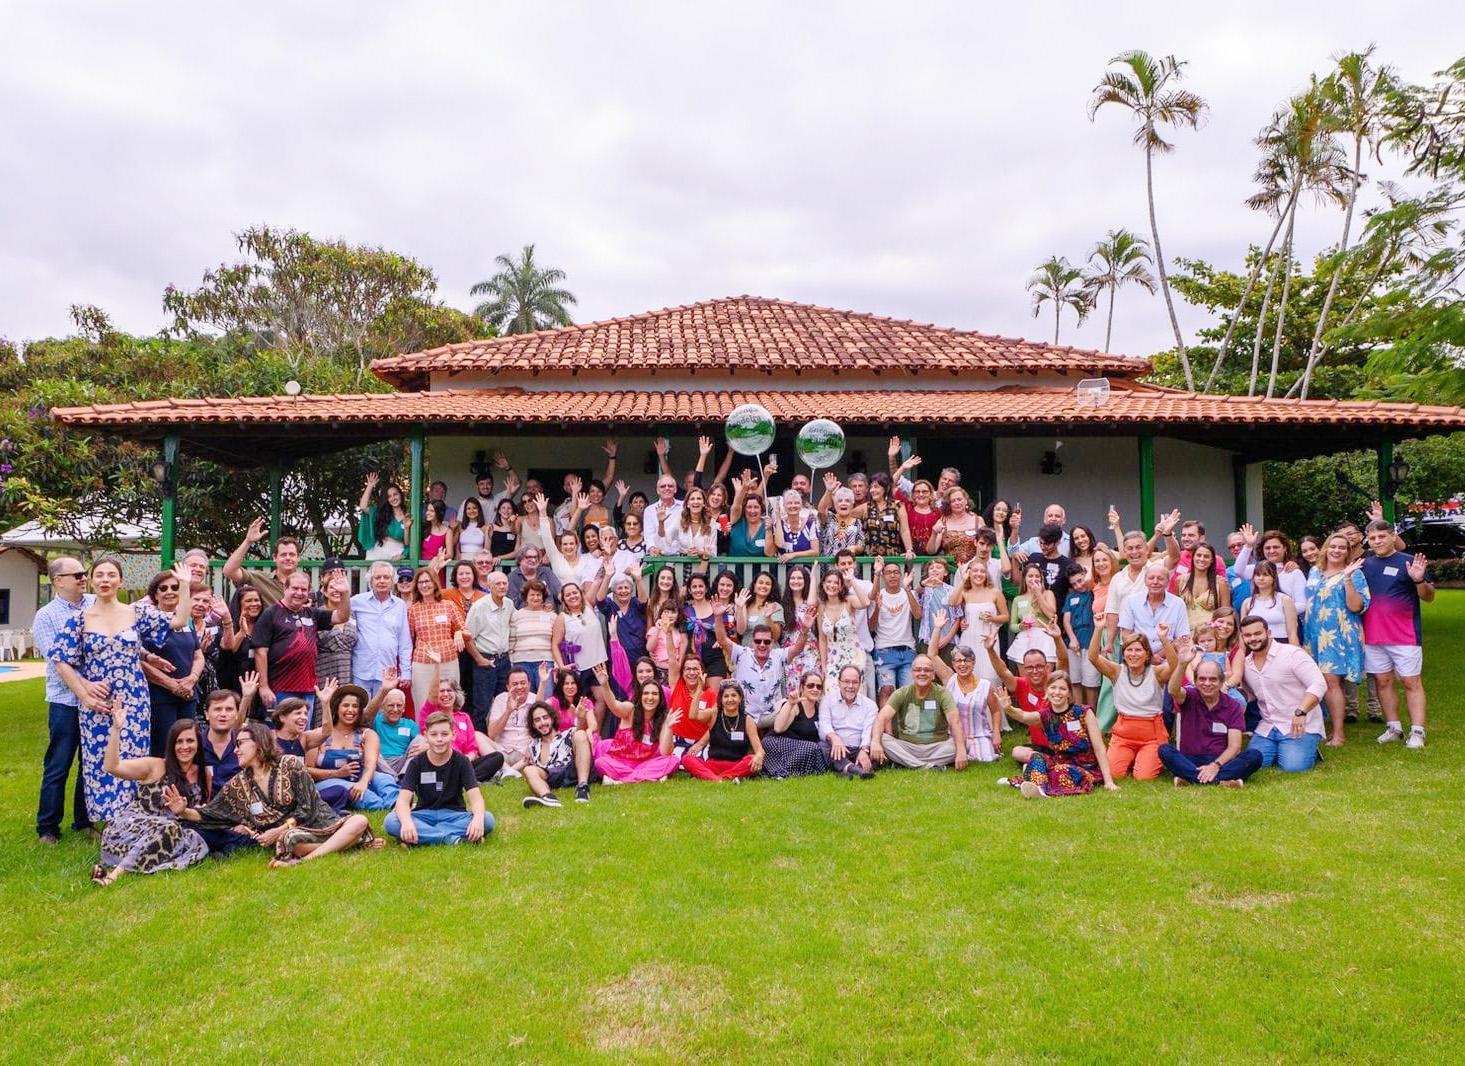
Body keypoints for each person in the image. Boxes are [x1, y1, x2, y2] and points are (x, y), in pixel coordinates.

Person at [49, 557, 192, 825]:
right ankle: (106, 820)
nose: (105, 580)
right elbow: (61, 661)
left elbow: (179, 619)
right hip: (98, 703)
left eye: (111, 575)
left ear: (120, 581)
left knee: (133, 756)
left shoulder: (135, 612)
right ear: (92, 581)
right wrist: (85, 694)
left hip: (134, 699)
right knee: (99, 759)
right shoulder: (79, 619)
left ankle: (132, 817)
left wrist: (185, 586)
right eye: (99, 575)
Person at [171, 722, 382, 867]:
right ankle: (349, 844)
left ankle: (304, 861)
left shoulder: (289, 764)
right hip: (294, 837)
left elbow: (307, 806)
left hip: (319, 822)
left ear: (260, 743)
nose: (235, 750)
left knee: (359, 820)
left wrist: (279, 828)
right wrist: (185, 811)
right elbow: (211, 814)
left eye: (240, 743)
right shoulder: (239, 783)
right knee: (291, 841)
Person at [90, 710, 209, 885]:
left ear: (198, 743)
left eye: (190, 741)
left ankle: (113, 869)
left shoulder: (203, 773)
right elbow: (111, 766)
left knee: (192, 839)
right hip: (130, 829)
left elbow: (203, 810)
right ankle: (113, 876)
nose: (185, 746)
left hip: (167, 833)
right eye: (179, 741)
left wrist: (184, 811)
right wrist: (116, 728)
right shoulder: (156, 766)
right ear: (171, 744)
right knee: (170, 828)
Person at [35, 556, 95, 844]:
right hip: (65, 702)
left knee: (90, 763)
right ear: (58, 581)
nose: (84, 578)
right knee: (59, 764)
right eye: (77, 575)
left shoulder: (97, 604)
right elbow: (58, 662)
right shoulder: (46, 616)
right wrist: (87, 688)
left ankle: (83, 821)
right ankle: (47, 827)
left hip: (97, 702)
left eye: (85, 574)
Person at [1361, 520, 1433, 749]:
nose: (1377, 541)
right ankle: (1394, 727)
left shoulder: (1409, 562)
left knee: (1411, 682)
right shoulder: (1364, 564)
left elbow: (1429, 597)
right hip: (1373, 636)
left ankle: (1417, 732)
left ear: (1393, 537)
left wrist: (1419, 579)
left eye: (1381, 536)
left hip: (1405, 636)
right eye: (1372, 538)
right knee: (1383, 682)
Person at [995, 674, 1118, 798]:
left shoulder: (1084, 712)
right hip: (1059, 761)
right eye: (1053, 688)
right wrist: (1008, 708)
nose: (1057, 692)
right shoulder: (1044, 715)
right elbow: (1023, 716)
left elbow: (1099, 748)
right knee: (1037, 758)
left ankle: (1034, 781)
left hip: (1085, 768)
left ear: (1069, 693)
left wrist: (1108, 781)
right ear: (1047, 691)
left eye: (1062, 689)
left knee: (1061, 772)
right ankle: (1039, 789)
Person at [1160, 647, 1263, 787]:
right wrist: (1183, 664)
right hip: (1190, 759)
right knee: (1165, 750)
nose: (1207, 683)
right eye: (1202, 679)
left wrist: (1215, 765)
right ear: (1195, 681)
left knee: (1254, 756)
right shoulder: (1189, 696)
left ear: (1221, 682)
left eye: (1213, 679)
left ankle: (1191, 778)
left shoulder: (1233, 706)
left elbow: (1234, 746)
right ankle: (1221, 781)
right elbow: (1173, 690)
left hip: (1220, 761)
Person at [253, 570, 352, 714]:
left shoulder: (312, 613)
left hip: (307, 689)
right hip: (280, 689)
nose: (299, 593)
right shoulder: (271, 614)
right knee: (281, 733)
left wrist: (345, 593)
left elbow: (342, 617)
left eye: (304, 589)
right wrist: (264, 687)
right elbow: (260, 652)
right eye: (295, 588)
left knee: (302, 733)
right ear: (285, 589)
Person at [1238, 614, 1328, 772]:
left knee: (1293, 767)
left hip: (1299, 724)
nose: (1253, 638)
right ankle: (1283, 749)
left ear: (1268, 632)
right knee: (1252, 763)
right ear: (1242, 637)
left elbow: (1318, 684)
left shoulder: (1292, 654)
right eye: (1248, 635)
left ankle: (1307, 747)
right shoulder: (1245, 664)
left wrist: (1301, 712)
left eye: (1257, 633)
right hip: (1267, 726)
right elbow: (1249, 695)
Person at [385, 711, 491, 844]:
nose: (439, 739)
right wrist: (407, 823)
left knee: (486, 819)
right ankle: (451, 838)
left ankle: (423, 836)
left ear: (453, 735)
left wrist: (477, 820)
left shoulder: (462, 761)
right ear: (426, 736)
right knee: (391, 821)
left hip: (455, 814)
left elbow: (476, 799)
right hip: (424, 814)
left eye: (445, 734)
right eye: (434, 734)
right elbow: (402, 800)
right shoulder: (416, 763)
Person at [1304, 535, 1370, 746]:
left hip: (1339, 634)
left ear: (1348, 552)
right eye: (1333, 546)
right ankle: (1330, 729)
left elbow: (1356, 606)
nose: (1337, 550)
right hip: (1315, 633)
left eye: (1342, 547)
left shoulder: (1354, 574)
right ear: (1325, 548)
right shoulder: (1315, 571)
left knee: (1332, 682)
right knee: (1322, 681)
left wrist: (1348, 578)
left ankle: (1339, 734)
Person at [1088, 627, 1176, 781]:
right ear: (1124, 653)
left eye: (1138, 650)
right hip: (1123, 735)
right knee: (1114, 774)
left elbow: (1175, 666)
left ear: (1147, 653)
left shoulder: (1156, 673)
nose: (1133, 654)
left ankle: (1145, 758)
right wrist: (1098, 628)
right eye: (1129, 650)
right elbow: (1093, 657)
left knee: (1143, 777)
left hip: (1151, 735)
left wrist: (1164, 639)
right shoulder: (1117, 671)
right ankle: (1130, 758)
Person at [138, 570, 205, 757]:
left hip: (187, 695)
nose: (170, 591)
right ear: (155, 594)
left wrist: (191, 680)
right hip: (160, 697)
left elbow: (198, 655)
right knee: (164, 749)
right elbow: (140, 661)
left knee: (188, 749)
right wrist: (172, 685)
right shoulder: (147, 621)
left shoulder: (186, 621)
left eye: (175, 587)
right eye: (163, 588)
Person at [870, 655, 968, 770]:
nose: (922, 673)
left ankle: (905, 763)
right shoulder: (902, 693)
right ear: (912, 673)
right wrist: (875, 742)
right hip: (907, 746)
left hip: (936, 747)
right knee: (883, 739)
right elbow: (881, 718)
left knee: (962, 742)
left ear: (933, 674)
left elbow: (955, 721)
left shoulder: (943, 694)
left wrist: (961, 751)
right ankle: (928, 766)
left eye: (927, 670)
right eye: (918, 670)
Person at [312, 684, 399, 810]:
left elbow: (370, 764)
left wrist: (363, 782)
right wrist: (337, 773)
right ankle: (381, 806)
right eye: (346, 705)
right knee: (372, 801)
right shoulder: (320, 735)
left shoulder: (366, 734)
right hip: (329, 782)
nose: (351, 710)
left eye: (355, 706)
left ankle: (397, 803)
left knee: (385, 779)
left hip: (360, 777)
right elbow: (308, 770)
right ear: (336, 708)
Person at [925, 613, 998, 763]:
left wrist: (996, 733)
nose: (962, 664)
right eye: (958, 661)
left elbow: (996, 710)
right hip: (953, 737)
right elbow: (932, 655)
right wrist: (938, 628)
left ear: (973, 663)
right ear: (953, 664)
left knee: (985, 760)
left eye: (966, 660)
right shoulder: (949, 679)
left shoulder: (985, 686)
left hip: (979, 736)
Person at [594, 679, 685, 783]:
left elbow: (665, 752)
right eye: (646, 693)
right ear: (640, 696)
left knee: (673, 760)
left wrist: (669, 728)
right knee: (600, 763)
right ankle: (648, 777)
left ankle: (623, 779)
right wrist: (605, 685)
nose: (650, 697)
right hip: (620, 762)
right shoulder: (630, 709)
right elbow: (614, 705)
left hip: (646, 763)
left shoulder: (663, 718)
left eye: (654, 694)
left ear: (660, 698)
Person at [349, 560, 413, 700]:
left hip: (387, 673)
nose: (382, 581)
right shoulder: (356, 602)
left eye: (386, 577)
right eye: (378, 578)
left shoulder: (399, 605)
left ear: (392, 581)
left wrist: (406, 672)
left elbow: (404, 642)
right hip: (361, 670)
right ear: (370, 581)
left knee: (384, 715)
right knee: (361, 713)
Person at [406, 567, 466, 709]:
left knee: (451, 702)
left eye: (428, 581)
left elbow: (464, 630)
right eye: (421, 582)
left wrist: (458, 633)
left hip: (448, 661)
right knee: (423, 704)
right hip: (423, 663)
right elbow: (408, 638)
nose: (424, 585)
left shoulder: (448, 605)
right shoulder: (413, 609)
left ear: (435, 583)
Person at [683, 681, 765, 780]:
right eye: (726, 696)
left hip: (737, 765)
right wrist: (699, 688)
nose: (730, 699)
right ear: (721, 700)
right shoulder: (714, 715)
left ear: (740, 698)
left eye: (734, 695)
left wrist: (759, 756)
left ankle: (717, 778)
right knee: (687, 759)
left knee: (751, 759)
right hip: (713, 764)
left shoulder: (747, 720)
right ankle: (720, 778)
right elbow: (693, 715)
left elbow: (759, 749)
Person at [465, 570, 515, 729]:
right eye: (498, 584)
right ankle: (479, 743)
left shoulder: (509, 604)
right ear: (489, 586)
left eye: (504, 583)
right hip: (486, 660)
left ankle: (500, 740)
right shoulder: (479, 607)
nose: (502, 586)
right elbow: (467, 637)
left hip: (504, 661)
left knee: (503, 702)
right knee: (482, 706)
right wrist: (479, 659)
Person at [521, 701, 596, 806]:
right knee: (528, 769)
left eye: (545, 717)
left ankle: (582, 788)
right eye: (537, 720)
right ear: (533, 725)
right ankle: (548, 797)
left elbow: (579, 731)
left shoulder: (566, 735)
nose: (542, 723)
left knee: (580, 734)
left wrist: (581, 718)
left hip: (572, 771)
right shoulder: (533, 746)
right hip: (553, 776)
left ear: (551, 719)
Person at [223, 518, 308, 607]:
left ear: (298, 557)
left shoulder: (304, 585)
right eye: (283, 555)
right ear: (275, 558)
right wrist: (248, 541)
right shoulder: (260, 579)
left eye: (291, 554)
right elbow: (229, 571)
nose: (288, 558)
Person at [551, 582, 610, 709]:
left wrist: (607, 574)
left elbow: (599, 581)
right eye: (568, 595)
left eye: (575, 592)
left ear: (581, 594)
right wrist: (562, 666)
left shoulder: (589, 606)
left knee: (603, 700)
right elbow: (555, 644)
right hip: (578, 668)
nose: (572, 596)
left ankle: (596, 729)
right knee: (577, 703)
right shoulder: (562, 617)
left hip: (597, 664)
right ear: (564, 599)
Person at [760, 673, 831, 778]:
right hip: (777, 743)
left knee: (816, 751)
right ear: (802, 687)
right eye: (810, 685)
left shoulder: (820, 709)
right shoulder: (795, 705)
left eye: (819, 687)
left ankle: (780, 773)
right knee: (811, 748)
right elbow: (778, 728)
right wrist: (790, 704)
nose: (815, 689)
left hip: (801, 750)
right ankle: (781, 773)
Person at [1117, 561, 1192, 655]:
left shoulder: (1178, 604)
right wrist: (1146, 657)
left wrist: (1158, 656)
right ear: (1145, 580)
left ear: (1167, 582)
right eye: (1151, 578)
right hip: (1138, 657)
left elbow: (1181, 638)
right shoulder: (1131, 601)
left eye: (1160, 578)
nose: (1155, 582)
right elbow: (1126, 635)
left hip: (1167, 660)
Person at [1233, 525, 1309, 616]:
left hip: (1285, 623)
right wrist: (1248, 546)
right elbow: (1238, 571)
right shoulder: (1256, 569)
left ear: (1284, 548)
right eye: (1267, 548)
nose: (1271, 551)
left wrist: (1277, 613)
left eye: (1276, 547)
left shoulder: (1293, 572)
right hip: (1259, 623)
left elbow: (1302, 604)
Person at [818, 664, 877, 778]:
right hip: (836, 748)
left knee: (875, 752)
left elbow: (868, 730)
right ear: (839, 683)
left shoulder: (870, 705)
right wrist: (835, 739)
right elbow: (824, 725)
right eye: (846, 682)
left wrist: (864, 750)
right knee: (821, 747)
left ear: (860, 684)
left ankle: (845, 769)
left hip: (857, 749)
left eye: (854, 682)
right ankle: (855, 769)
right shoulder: (827, 701)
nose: (850, 686)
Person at [363, 668, 424, 774]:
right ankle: (396, 778)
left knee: (421, 740)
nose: (395, 709)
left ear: (404, 708)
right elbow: (366, 716)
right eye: (391, 705)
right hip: (379, 762)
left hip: (402, 762)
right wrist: (384, 690)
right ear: (382, 707)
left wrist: (427, 746)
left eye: (399, 705)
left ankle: (403, 776)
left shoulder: (409, 724)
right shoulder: (376, 720)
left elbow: (421, 741)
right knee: (367, 746)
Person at [508, 578, 557, 695]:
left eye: (538, 595)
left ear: (543, 597)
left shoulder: (552, 616)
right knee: (524, 699)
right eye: (532, 595)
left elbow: (555, 643)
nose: (535, 598)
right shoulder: (516, 616)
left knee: (546, 697)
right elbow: (511, 641)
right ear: (526, 597)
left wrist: (555, 664)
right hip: (521, 662)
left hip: (545, 662)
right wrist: (511, 662)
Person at [484, 667, 537, 772]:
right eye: (515, 684)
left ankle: (507, 771)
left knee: (537, 746)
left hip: (524, 753)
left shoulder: (535, 699)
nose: (519, 687)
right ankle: (509, 770)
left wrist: (531, 747)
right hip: (501, 752)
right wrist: (508, 711)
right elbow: (492, 734)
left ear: (529, 684)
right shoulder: (500, 699)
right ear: (508, 687)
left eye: (523, 683)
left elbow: (541, 733)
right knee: (478, 735)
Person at [1061, 563, 1099, 706]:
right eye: (1074, 583)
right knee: (1075, 680)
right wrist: (1072, 639)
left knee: (1090, 683)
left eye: (1080, 580)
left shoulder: (1093, 593)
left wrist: (1089, 571)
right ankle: (1079, 714)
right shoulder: (1071, 598)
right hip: (1074, 644)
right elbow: (1066, 621)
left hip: (1090, 642)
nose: (1078, 585)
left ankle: (1091, 714)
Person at [1006, 562, 1058, 665]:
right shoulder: (1018, 599)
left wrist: (1038, 593)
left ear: (1041, 579)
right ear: (1024, 578)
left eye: (1037, 576)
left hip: (1044, 637)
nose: (1034, 579)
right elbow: (1012, 626)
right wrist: (1021, 626)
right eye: (1030, 576)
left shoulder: (1048, 594)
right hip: (1025, 637)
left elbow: (1051, 615)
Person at [1177, 542, 1230, 632]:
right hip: (1185, 633)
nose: (1202, 559)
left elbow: (1225, 615)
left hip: (1210, 635)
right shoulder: (1180, 581)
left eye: (1206, 556)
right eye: (1198, 555)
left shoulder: (1220, 584)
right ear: (1193, 557)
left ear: (1212, 560)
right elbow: (1176, 610)